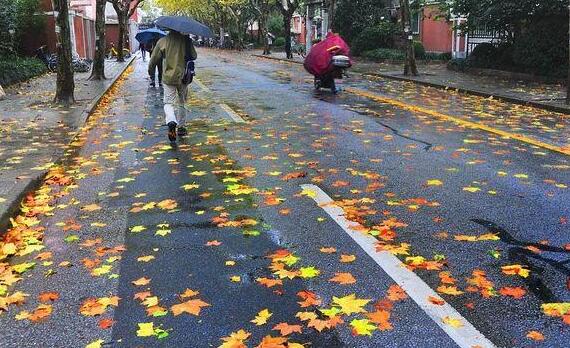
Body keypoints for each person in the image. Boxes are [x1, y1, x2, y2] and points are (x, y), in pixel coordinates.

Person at [148, 30, 197, 141]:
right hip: (184, 77)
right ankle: (181, 127)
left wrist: (150, 72)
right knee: (182, 102)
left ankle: (171, 121)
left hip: (168, 78)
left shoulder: (162, 41)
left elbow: (153, 60)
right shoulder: (186, 41)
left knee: (168, 103)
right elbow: (194, 56)